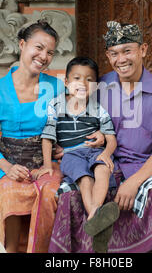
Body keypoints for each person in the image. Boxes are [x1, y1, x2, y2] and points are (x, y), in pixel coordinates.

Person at [48, 21, 152, 253]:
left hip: (143, 166)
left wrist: (133, 182)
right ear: (107, 56)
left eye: (127, 51)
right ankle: (93, 241)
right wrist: (65, 146)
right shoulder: (98, 85)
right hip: (99, 161)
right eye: (114, 53)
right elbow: (71, 113)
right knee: (70, 194)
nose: (121, 59)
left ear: (143, 50)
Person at [0, 21, 104, 253]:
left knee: (49, 194)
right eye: (39, 47)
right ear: (22, 44)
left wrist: (76, 144)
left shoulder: (56, 86)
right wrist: (7, 167)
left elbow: (78, 117)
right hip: (10, 163)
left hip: (48, 163)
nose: (44, 56)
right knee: (10, 194)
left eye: (50, 52)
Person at [41, 57, 118, 252]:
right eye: (77, 78)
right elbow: (48, 136)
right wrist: (47, 165)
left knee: (102, 170)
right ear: (66, 82)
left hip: (94, 151)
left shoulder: (98, 109)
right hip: (71, 155)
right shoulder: (56, 105)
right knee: (84, 178)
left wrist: (107, 154)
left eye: (89, 80)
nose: (83, 84)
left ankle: (94, 215)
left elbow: (111, 139)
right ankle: (96, 216)